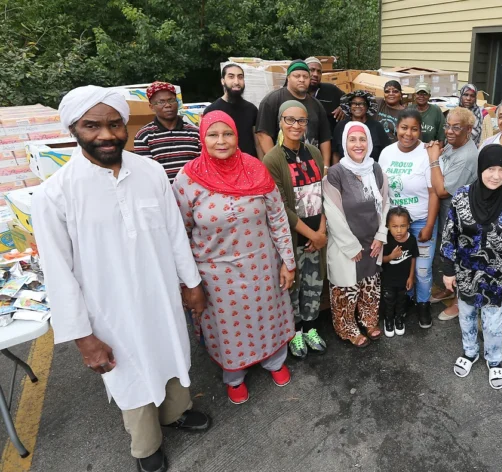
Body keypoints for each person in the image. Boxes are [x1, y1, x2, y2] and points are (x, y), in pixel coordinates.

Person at [34, 86, 210, 472]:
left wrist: (192, 283)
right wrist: (83, 338)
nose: (107, 134)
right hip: (110, 312)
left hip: (161, 297)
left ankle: (175, 414)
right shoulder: (54, 195)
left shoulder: (149, 172)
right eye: (92, 125)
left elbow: (174, 233)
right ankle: (146, 447)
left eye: (114, 124)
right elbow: (58, 275)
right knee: (129, 371)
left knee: (172, 352)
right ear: (73, 129)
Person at [172, 111, 295, 406]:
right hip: (217, 275)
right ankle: (235, 376)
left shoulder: (255, 168)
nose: (221, 141)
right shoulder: (188, 179)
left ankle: (274, 361)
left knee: (268, 315)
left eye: (227, 133)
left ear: (237, 135)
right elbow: (180, 233)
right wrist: (188, 282)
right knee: (229, 328)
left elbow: (277, 217)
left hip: (262, 265)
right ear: (202, 137)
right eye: (213, 135)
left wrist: (288, 261)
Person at [441, 144, 502, 390]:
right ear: (481, 168)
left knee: (493, 324)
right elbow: (449, 234)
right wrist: (448, 270)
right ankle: (470, 352)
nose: (496, 175)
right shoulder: (462, 196)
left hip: (498, 277)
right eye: (490, 168)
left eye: (501, 169)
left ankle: (494, 360)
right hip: (465, 273)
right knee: (467, 318)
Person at [263, 101, 328, 359]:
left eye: (301, 121)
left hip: (317, 234)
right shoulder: (273, 159)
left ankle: (311, 328)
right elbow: (279, 207)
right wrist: (311, 235)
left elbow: (322, 193)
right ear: (280, 121)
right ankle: (296, 333)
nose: (296, 125)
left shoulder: (314, 151)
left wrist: (321, 231)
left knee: (313, 285)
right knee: (294, 288)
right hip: (294, 236)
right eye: (289, 120)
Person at [323, 122, 389, 346]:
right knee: (346, 288)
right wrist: (351, 246)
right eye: (353, 140)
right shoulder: (335, 173)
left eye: (362, 139)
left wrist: (381, 235)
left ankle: (369, 319)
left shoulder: (376, 170)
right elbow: (332, 212)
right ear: (344, 143)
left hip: (372, 241)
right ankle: (346, 326)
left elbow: (386, 203)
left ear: (369, 142)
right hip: (346, 244)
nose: (358, 144)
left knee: (370, 283)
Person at [378, 109, 440, 329]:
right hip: (395, 223)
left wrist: (430, 225)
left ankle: (423, 303)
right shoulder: (386, 153)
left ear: (420, 130)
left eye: (414, 129)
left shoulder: (427, 153)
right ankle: (404, 300)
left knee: (422, 269)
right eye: (404, 127)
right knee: (399, 265)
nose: (408, 133)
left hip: (422, 220)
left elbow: (434, 192)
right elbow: (382, 190)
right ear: (396, 128)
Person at [425, 107, 479, 321]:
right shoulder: (453, 146)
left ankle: (460, 301)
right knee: (446, 254)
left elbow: (442, 190)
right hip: (446, 211)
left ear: (468, 129)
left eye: (456, 127)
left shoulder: (466, 156)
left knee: (459, 257)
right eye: (448, 125)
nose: (449, 131)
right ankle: (449, 288)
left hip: (459, 215)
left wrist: (433, 159)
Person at [257, 60, 332, 168]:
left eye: (305, 77)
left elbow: (325, 137)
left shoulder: (316, 104)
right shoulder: (272, 100)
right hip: (284, 164)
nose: (302, 80)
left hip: (311, 165)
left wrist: (325, 166)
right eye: (297, 76)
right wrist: (277, 164)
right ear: (288, 77)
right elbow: (263, 134)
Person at [134, 81, 201, 182]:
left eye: (171, 100)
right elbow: (146, 173)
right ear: (152, 107)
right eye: (161, 102)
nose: (168, 105)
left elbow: (203, 166)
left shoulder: (195, 133)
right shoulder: (143, 135)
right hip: (163, 194)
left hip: (193, 193)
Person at [204, 64, 261, 157]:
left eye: (240, 77)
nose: (236, 82)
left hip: (249, 166)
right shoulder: (211, 111)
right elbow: (207, 145)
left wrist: (262, 167)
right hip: (223, 166)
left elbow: (258, 143)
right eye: (231, 77)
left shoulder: (252, 109)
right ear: (223, 81)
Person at [381, 207, 418, 337]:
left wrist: (411, 277)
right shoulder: (386, 240)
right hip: (388, 280)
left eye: (402, 226)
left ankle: (399, 319)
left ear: (408, 225)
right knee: (389, 301)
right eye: (394, 226)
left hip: (404, 279)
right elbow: (380, 260)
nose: (398, 230)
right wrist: (391, 256)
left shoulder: (412, 240)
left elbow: (413, 257)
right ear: (388, 226)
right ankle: (389, 320)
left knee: (402, 301)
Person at [332, 90, 390, 163]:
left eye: (361, 103)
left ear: (367, 107)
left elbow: (385, 152)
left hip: (371, 171)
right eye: (354, 103)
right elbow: (336, 153)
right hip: (345, 172)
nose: (357, 106)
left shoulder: (377, 127)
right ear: (349, 106)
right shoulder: (341, 126)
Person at [306, 56, 345, 133]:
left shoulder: (330, 89)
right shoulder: (297, 92)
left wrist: (344, 106)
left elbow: (352, 98)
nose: (316, 74)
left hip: (330, 139)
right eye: (312, 70)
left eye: (319, 72)